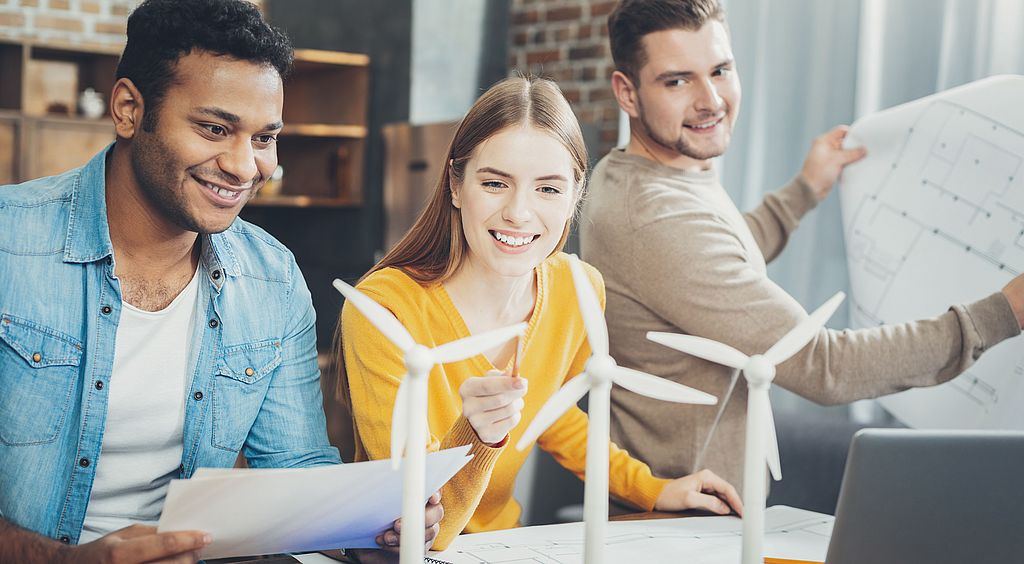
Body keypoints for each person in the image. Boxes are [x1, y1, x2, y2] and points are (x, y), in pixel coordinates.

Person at [0, 1, 440, 562]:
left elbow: (295, 471)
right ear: (130, 109)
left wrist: (371, 533)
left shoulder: (272, 279)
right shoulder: (10, 245)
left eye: (263, 138)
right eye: (214, 128)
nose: (244, 166)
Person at [580, 0, 1024, 490]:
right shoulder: (655, 215)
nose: (711, 100)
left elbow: (719, 255)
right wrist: (1004, 312)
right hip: (680, 525)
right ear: (627, 91)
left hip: (706, 515)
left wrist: (805, 190)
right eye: (677, 81)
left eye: (721, 70)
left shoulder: (643, 174)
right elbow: (824, 366)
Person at [338, 76, 744, 552]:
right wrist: (477, 433)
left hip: (503, 548)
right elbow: (422, 523)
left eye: (548, 189)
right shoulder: (383, 309)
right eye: (494, 183)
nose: (519, 213)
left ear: (576, 194)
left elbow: (551, 414)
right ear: (455, 185)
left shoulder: (579, 289)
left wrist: (653, 488)